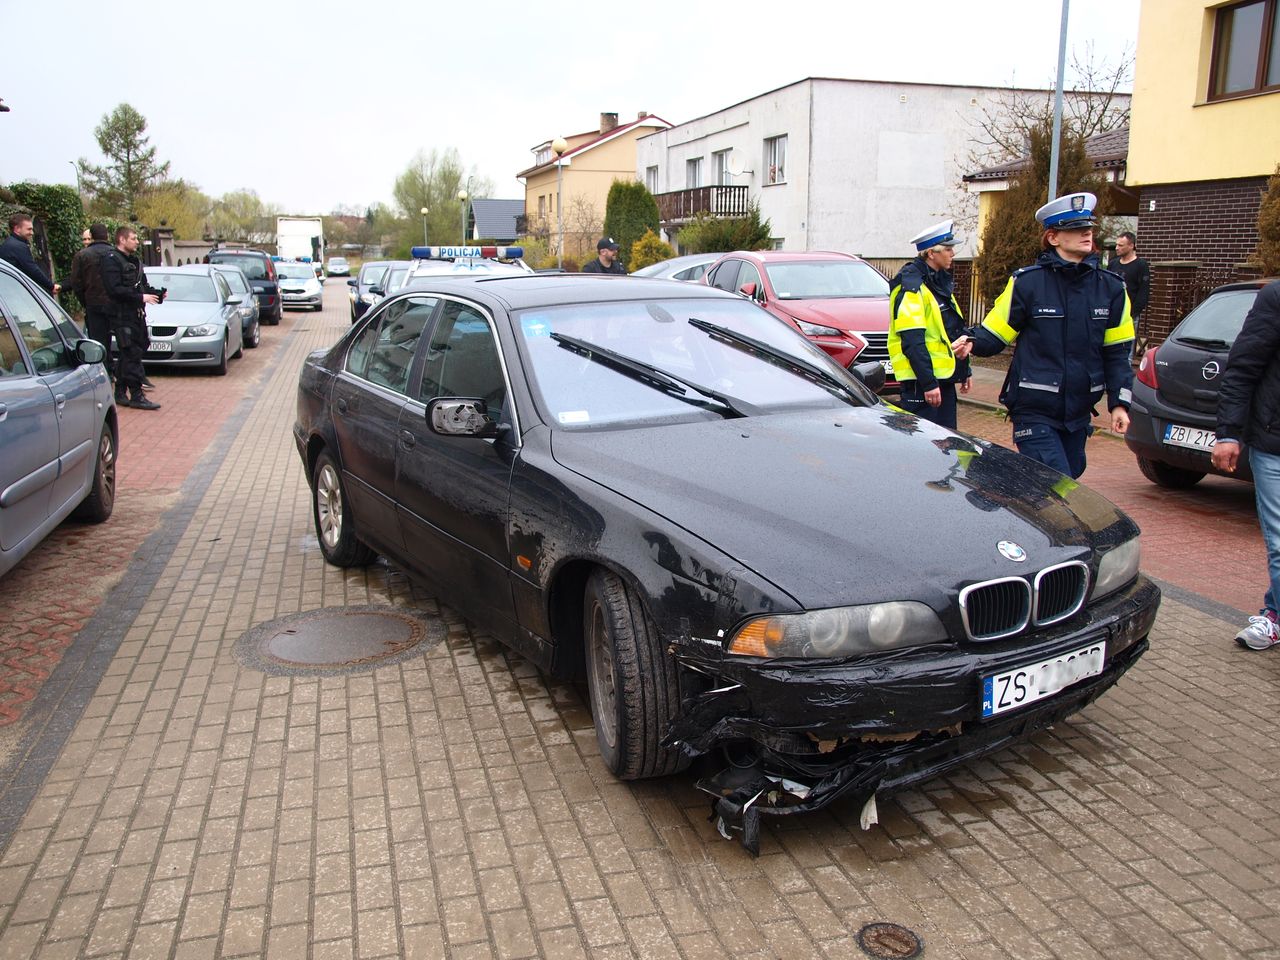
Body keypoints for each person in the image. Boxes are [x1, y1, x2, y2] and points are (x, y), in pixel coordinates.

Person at [956, 191, 1133, 478]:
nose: (1086, 233)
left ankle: (1013, 503)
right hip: (1034, 409)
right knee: (1056, 482)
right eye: (1076, 229)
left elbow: (1117, 353)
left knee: (1069, 476)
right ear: (1053, 237)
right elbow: (996, 333)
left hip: (1078, 413)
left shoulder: (1112, 288)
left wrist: (1120, 403)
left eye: (1088, 228)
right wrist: (972, 341)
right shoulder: (1028, 283)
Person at [1211, 280, 1280, 650]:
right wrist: (1227, 433)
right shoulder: (1276, 297)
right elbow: (1242, 369)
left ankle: (1274, 614)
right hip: (1274, 443)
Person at [887, 219, 971, 429]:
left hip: (942, 381)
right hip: (922, 385)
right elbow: (912, 340)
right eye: (948, 249)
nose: (952, 254)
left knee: (949, 446)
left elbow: (951, 331)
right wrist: (929, 383)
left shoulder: (938, 282)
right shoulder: (912, 287)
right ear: (931, 253)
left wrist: (964, 370)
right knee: (923, 448)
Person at [101, 226, 162, 410]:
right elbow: (114, 290)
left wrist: (157, 294)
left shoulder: (135, 261)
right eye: (133, 238)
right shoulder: (111, 261)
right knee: (132, 354)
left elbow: (142, 286)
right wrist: (140, 297)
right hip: (121, 316)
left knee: (133, 352)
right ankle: (136, 395)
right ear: (122, 239)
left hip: (137, 315)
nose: (137, 241)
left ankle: (120, 391)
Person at [70, 223, 116, 351]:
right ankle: (115, 368)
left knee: (97, 342)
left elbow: (76, 282)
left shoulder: (82, 255)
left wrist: (85, 301)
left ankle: (103, 366)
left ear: (91, 236)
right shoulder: (116, 253)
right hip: (114, 303)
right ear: (107, 235)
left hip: (93, 303)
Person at [0, 213, 60, 295]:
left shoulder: (9, 243)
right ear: (17, 229)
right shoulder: (18, 246)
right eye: (29, 229)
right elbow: (32, 270)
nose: (32, 233)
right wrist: (51, 286)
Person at [1110, 230, 1150, 341]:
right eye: (1116, 244)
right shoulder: (1113, 264)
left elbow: (1143, 291)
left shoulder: (1141, 265)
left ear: (1131, 246)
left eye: (1120, 245)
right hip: (1112, 312)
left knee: (1127, 349)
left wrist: (1133, 313)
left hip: (1129, 315)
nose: (1116, 248)